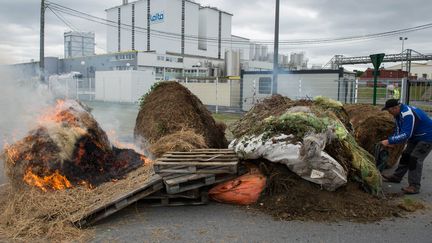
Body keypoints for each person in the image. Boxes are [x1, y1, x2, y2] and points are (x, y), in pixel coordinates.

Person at [381, 99, 432, 194]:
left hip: (427, 137)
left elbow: (406, 134)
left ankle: (414, 186)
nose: (388, 112)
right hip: (416, 136)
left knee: (415, 159)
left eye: (389, 110)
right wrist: (393, 141)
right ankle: (397, 177)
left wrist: (389, 141)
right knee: (406, 155)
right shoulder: (397, 115)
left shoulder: (407, 114)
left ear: (395, 108)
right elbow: (398, 129)